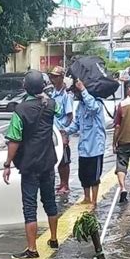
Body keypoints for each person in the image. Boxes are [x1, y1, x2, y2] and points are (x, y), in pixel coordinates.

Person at [3, 70, 60, 259]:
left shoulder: (20, 110)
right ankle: (53, 239)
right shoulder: (51, 104)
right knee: (50, 202)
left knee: (30, 207)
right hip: (48, 163)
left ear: (24, 87)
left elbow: (14, 140)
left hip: (29, 165)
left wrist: (7, 164)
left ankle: (32, 249)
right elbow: (61, 112)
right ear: (43, 87)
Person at [62, 79, 106, 208]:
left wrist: (83, 89)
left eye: (76, 91)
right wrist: (65, 132)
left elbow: (92, 108)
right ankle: (86, 198)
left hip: (95, 148)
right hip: (84, 149)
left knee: (94, 177)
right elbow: (76, 124)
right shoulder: (80, 106)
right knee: (84, 175)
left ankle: (94, 201)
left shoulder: (96, 103)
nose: (75, 94)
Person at [49, 66, 73, 194]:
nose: (53, 79)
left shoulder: (66, 95)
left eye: (55, 77)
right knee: (57, 157)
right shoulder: (53, 92)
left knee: (64, 159)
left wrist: (64, 131)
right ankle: (62, 183)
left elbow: (69, 116)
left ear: (61, 77)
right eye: (52, 76)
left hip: (61, 130)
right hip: (53, 130)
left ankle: (65, 184)